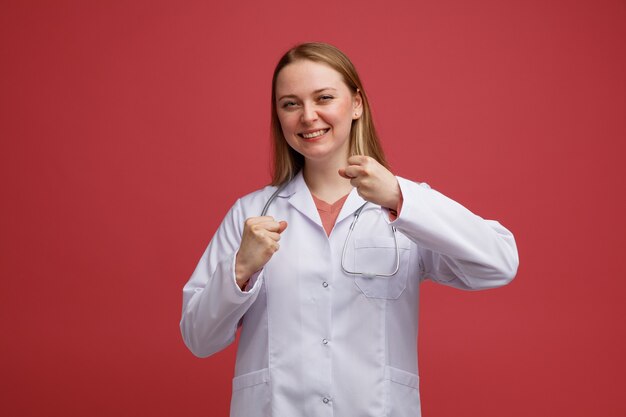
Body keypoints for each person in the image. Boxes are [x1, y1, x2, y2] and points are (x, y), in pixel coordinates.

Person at [180, 42, 519, 417]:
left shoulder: (407, 206)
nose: (308, 116)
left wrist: (399, 198)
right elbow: (199, 338)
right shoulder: (250, 214)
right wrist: (240, 269)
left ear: (356, 104)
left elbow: (499, 263)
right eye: (290, 103)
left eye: (324, 97)